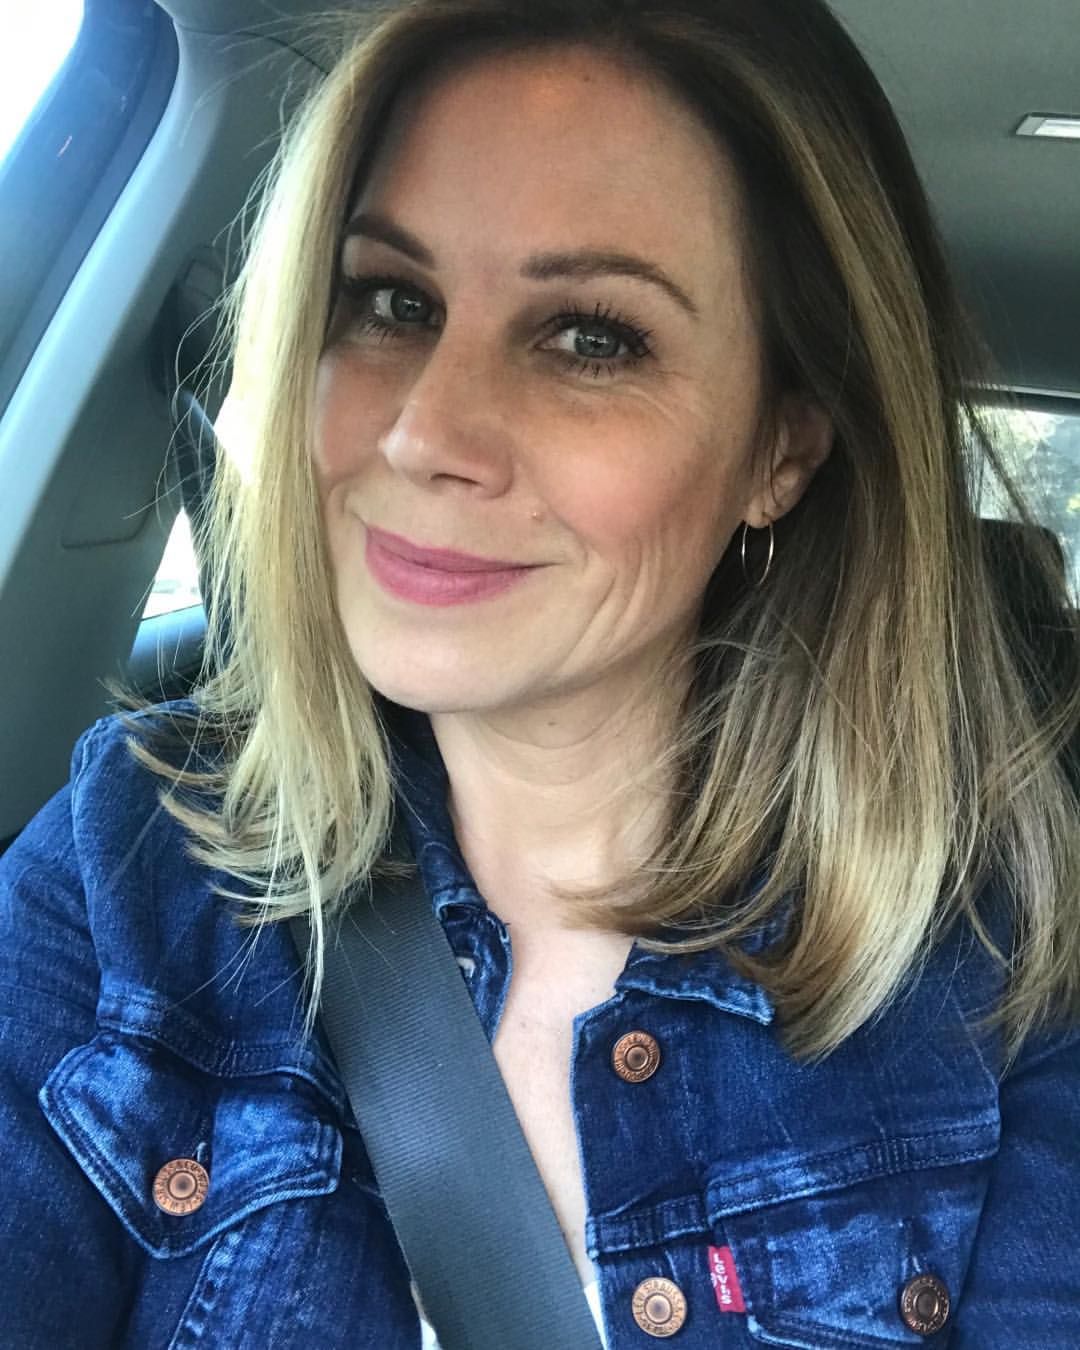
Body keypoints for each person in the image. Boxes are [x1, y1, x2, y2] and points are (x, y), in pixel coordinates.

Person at [2, 0, 1078, 1345]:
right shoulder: (131, 866)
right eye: (392, 302)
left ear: (780, 452)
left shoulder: (1004, 967)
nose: (424, 432)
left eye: (590, 338)